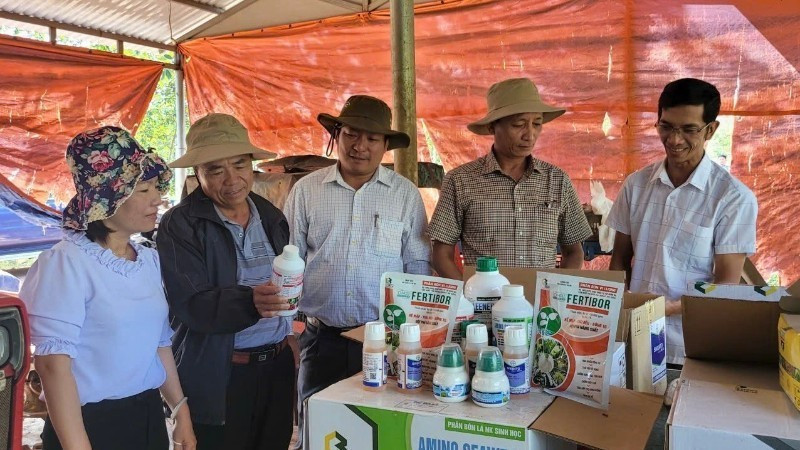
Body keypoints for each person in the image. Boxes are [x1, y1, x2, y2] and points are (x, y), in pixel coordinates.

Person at [19, 126, 195, 450]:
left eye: (155, 187)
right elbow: (53, 368)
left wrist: (180, 410)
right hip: (87, 426)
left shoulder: (147, 260)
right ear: (106, 198)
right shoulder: (66, 264)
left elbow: (158, 344)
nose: (157, 198)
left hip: (146, 418)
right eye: (142, 189)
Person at [284, 95, 431, 449]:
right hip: (322, 341)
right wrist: (285, 330)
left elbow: (417, 267)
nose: (359, 146)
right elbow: (289, 262)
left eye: (372, 138)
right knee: (318, 430)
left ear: (385, 146)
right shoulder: (306, 191)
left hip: (386, 342)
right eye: (351, 134)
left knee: (380, 432)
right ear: (338, 134)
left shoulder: (405, 195)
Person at [157, 114, 295, 450]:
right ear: (197, 175)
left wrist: (289, 335)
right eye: (216, 169)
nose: (232, 178)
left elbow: (287, 284)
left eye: (239, 164)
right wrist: (250, 302)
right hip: (219, 374)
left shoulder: (271, 216)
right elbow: (190, 303)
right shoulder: (181, 225)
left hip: (276, 367)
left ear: (252, 166)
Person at [607, 78, 758, 367]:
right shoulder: (636, 185)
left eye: (689, 129)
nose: (675, 140)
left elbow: (725, 284)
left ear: (710, 130)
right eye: (666, 127)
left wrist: (671, 308)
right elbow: (620, 260)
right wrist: (618, 312)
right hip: (631, 339)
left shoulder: (733, 198)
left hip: (689, 347)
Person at [428, 78, 592, 280]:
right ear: (492, 128)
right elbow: (441, 254)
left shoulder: (557, 181)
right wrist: (466, 297)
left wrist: (556, 293)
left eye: (537, 124)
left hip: (541, 307)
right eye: (519, 124)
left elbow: (574, 252)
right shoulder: (461, 181)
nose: (530, 135)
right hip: (482, 307)